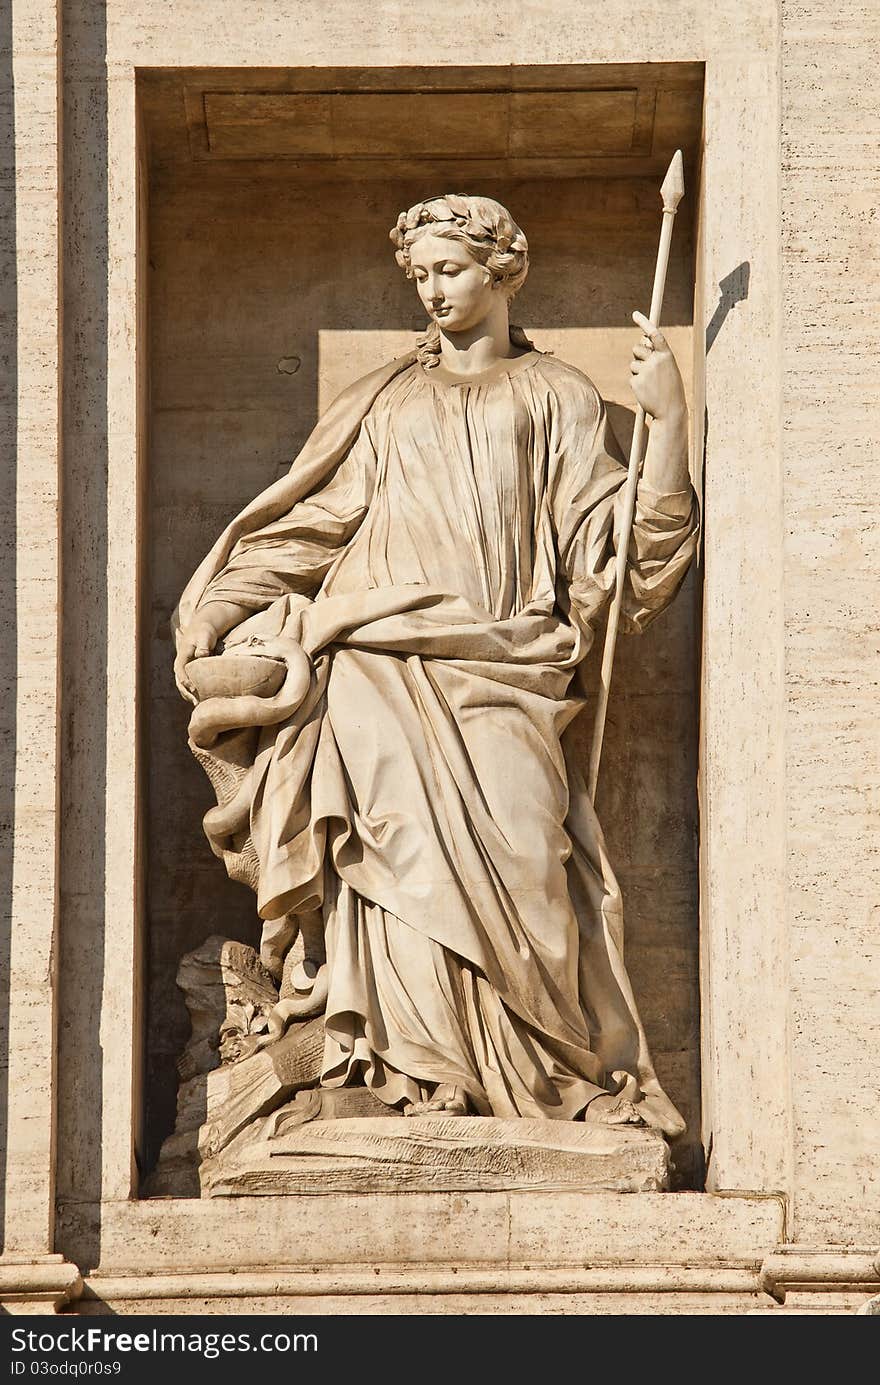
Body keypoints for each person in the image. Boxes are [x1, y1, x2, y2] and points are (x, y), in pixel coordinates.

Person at [173, 194, 697, 1133]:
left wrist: (667, 430)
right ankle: (403, 1072)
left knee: (531, 857)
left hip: (507, 665)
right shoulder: (382, 400)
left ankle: (530, 1077)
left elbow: (619, 560)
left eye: (449, 269)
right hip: (375, 661)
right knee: (386, 862)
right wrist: (221, 603)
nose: (432, 290)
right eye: (418, 275)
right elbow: (309, 527)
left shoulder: (559, 394)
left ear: (504, 272)